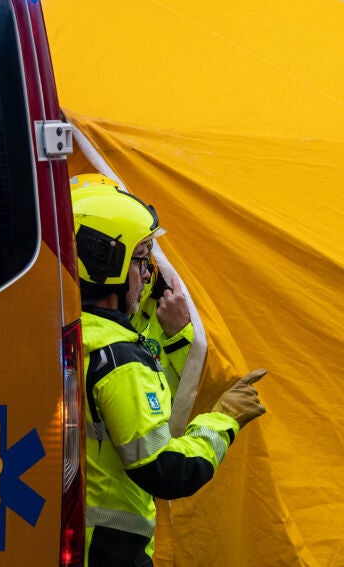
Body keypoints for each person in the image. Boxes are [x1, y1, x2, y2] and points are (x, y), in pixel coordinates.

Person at [72, 184, 267, 566]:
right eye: (141, 259)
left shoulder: (72, 338)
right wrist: (225, 418)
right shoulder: (119, 361)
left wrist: (178, 339)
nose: (148, 275)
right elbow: (167, 470)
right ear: (107, 265)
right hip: (110, 551)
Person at [71, 173, 193, 394]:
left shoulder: (172, 301)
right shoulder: (65, 319)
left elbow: (206, 384)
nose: (146, 273)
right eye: (141, 254)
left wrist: (180, 335)